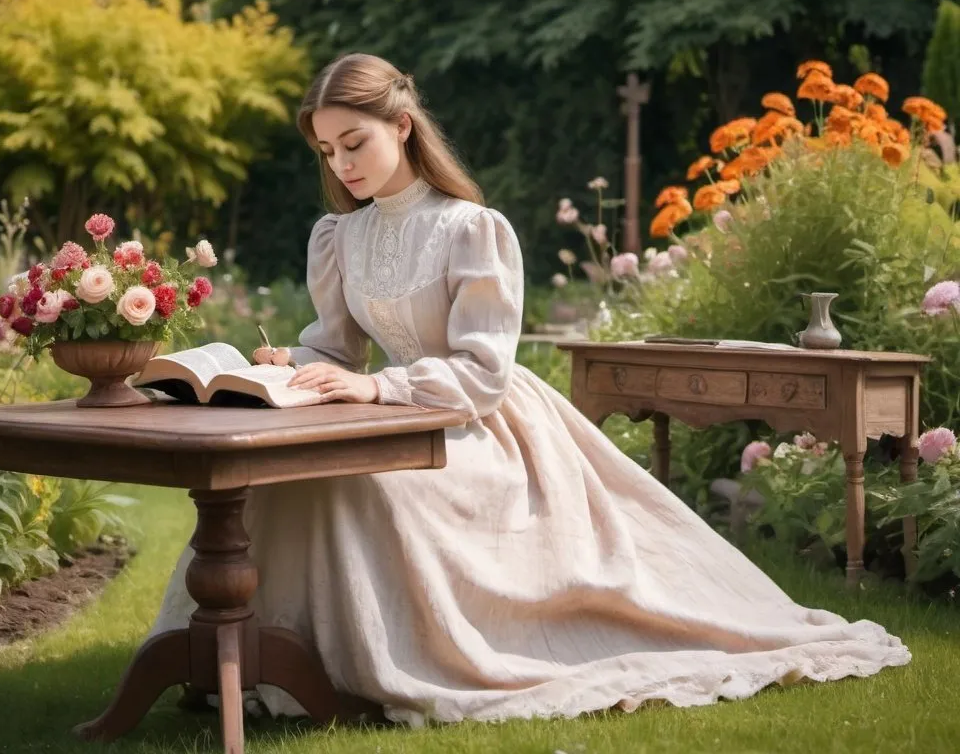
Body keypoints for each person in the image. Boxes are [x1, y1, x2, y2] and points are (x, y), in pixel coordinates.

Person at [147, 52, 909, 726]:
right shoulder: (337, 236)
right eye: (327, 150)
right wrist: (288, 365)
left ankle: (365, 667)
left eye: (356, 143)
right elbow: (335, 347)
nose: (342, 164)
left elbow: (483, 372)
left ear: (402, 125)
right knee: (280, 477)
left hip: (476, 425)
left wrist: (374, 388)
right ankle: (244, 659)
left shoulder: (471, 228)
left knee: (365, 485)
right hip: (388, 410)